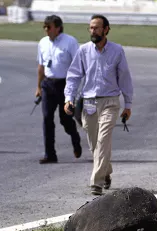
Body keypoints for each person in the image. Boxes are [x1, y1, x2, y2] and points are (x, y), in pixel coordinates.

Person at [64, 14, 133, 196]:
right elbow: (73, 76)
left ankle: (97, 182)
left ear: (106, 29)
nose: (93, 31)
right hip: (89, 102)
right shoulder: (84, 50)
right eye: (91, 28)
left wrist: (128, 104)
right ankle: (106, 171)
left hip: (110, 101)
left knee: (103, 140)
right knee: (94, 144)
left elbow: (124, 78)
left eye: (96, 27)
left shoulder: (117, 51)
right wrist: (68, 98)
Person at [36, 15, 82, 164]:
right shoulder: (42, 43)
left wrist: (75, 87)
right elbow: (41, 66)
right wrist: (38, 86)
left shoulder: (70, 42)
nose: (46, 30)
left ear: (58, 28)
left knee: (65, 119)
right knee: (47, 118)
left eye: (49, 27)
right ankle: (50, 154)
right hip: (48, 85)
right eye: (44, 27)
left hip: (64, 86)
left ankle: (75, 137)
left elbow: (78, 65)